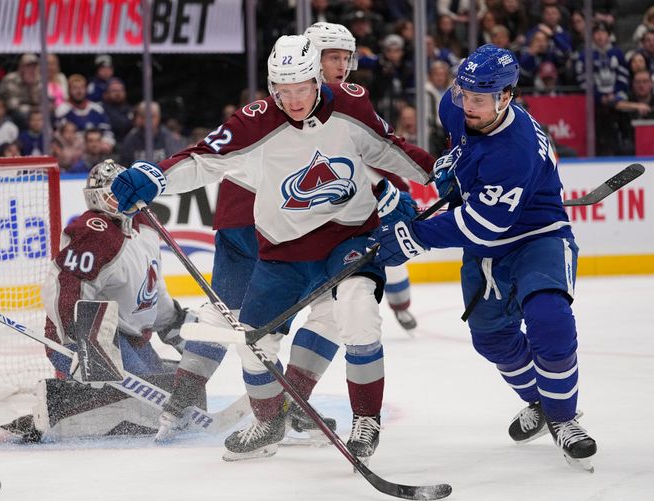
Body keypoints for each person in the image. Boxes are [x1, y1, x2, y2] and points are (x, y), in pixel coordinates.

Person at [111, 35, 433, 462]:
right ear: (272, 85)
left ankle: (342, 415)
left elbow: (388, 151)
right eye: (284, 90)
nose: (295, 99)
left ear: (318, 76)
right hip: (273, 239)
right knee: (247, 332)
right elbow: (205, 158)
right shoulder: (257, 120)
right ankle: (256, 414)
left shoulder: (351, 104)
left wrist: (438, 173)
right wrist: (157, 176)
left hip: (345, 236)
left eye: (303, 87)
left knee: (352, 311)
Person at [368, 44, 597, 471]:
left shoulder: (516, 150)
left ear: (506, 97)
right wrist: (453, 176)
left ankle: (564, 418)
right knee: (491, 338)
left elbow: (483, 225)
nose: (466, 104)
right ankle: (540, 400)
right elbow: (465, 168)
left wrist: (415, 235)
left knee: (550, 318)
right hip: (489, 246)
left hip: (536, 236)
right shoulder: (454, 107)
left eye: (478, 98)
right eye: (463, 92)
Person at [2, 160, 204, 442]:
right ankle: (53, 411)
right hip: (85, 338)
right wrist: (76, 344)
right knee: (143, 400)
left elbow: (150, 286)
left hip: (129, 336)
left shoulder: (144, 226)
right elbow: (63, 286)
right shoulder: (95, 232)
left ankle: (76, 405)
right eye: (113, 193)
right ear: (95, 197)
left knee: (167, 389)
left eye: (126, 193)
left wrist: (172, 323)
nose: (122, 200)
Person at [306, 21, 419, 330]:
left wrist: (394, 187)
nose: (344, 67)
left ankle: (399, 305)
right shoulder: (292, 98)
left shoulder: (353, 99)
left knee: (386, 249)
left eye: (347, 58)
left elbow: (381, 146)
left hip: (357, 196)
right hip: (317, 205)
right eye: (334, 58)